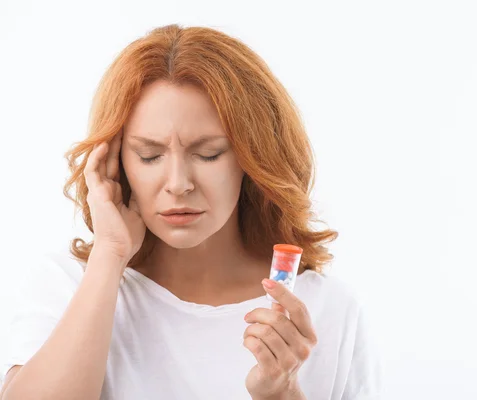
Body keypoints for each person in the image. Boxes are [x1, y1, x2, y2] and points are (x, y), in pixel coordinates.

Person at [0, 24, 383, 399]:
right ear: (115, 162)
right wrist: (110, 255)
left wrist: (282, 396)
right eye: (149, 156)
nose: (178, 183)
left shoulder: (326, 310)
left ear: (253, 159)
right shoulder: (69, 286)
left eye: (208, 154)